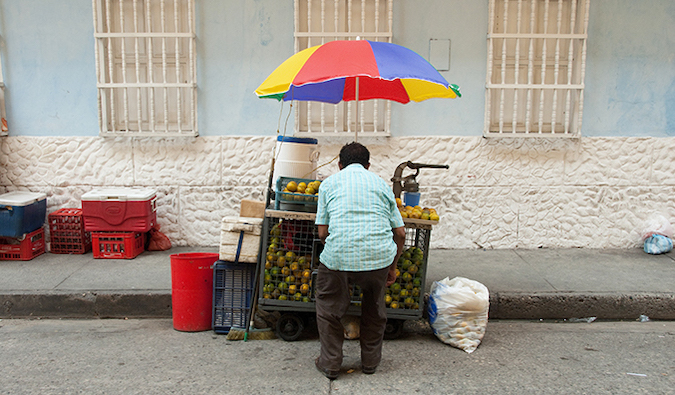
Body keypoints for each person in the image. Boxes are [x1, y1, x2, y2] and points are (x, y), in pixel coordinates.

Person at [314, 142, 406, 380]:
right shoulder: (381, 185)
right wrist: (392, 267)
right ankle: (370, 363)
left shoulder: (328, 184)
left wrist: (337, 248)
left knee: (328, 310)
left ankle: (331, 364)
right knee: (374, 310)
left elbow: (322, 233)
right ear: (368, 165)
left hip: (338, 257)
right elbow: (401, 233)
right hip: (378, 258)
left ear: (339, 164)